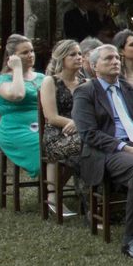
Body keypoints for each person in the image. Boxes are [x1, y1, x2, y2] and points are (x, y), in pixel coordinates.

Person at [72, 44, 133, 259]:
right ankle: (131, 239)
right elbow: (88, 133)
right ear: (94, 66)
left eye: (116, 58)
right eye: (108, 59)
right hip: (106, 152)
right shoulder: (85, 91)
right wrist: (128, 149)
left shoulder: (132, 90)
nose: (115, 62)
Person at [0, 35, 44, 176]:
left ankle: (53, 189)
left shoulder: (42, 78)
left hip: (44, 126)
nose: (30, 55)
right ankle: (51, 191)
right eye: (25, 52)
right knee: (47, 150)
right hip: (16, 130)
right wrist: (16, 69)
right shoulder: (2, 80)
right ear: (12, 57)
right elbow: (17, 95)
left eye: (32, 51)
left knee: (71, 149)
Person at [38, 40, 85, 187]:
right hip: (56, 136)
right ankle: (53, 194)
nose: (78, 57)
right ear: (62, 58)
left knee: (93, 143)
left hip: (82, 132)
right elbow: (51, 117)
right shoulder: (50, 81)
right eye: (72, 54)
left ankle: (87, 195)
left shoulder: (86, 83)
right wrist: (77, 124)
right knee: (89, 143)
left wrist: (80, 125)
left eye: (80, 54)